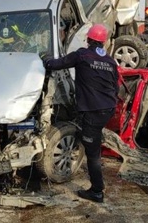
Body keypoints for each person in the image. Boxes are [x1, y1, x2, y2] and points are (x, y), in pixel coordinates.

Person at [42, 24, 118, 203]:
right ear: (103, 42)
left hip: (93, 111)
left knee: (93, 154)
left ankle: (97, 192)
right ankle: (89, 139)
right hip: (108, 109)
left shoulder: (82, 55)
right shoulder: (110, 61)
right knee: (92, 137)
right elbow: (116, 86)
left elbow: (56, 64)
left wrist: (45, 58)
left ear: (88, 39)